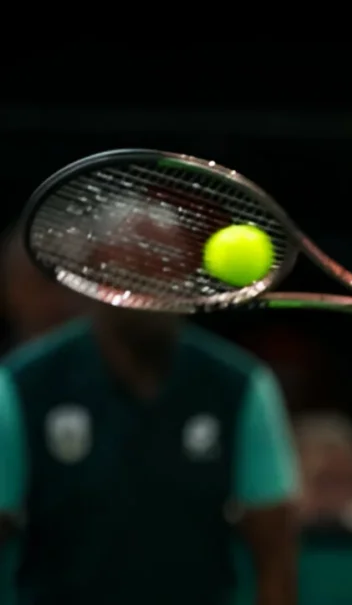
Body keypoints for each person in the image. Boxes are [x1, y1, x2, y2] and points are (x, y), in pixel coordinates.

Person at [0, 231, 300, 605]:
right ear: (96, 276)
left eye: (168, 268)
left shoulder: (241, 385)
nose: (155, 283)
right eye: (136, 267)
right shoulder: (20, 384)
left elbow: (275, 556)